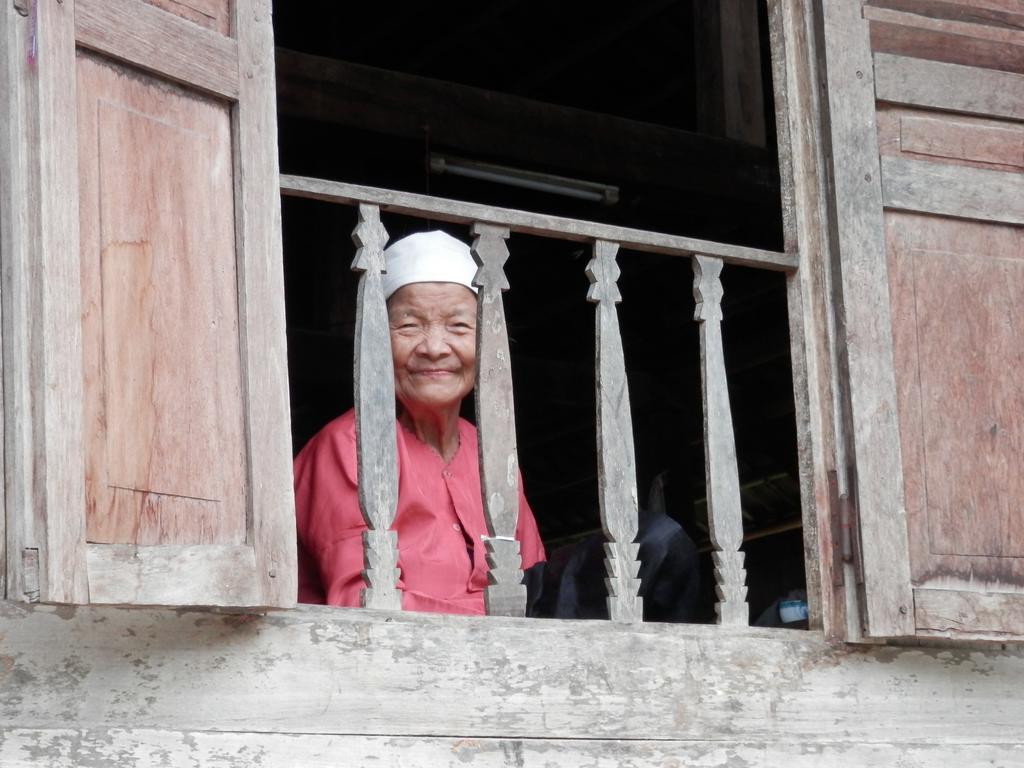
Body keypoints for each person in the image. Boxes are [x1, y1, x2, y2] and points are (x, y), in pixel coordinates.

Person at [293, 230, 546, 615]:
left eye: (458, 327)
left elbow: (532, 579)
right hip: (393, 664)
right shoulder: (347, 445)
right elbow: (363, 605)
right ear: (376, 341)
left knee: (656, 542)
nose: (434, 347)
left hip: (502, 655)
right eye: (409, 326)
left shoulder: (488, 445)